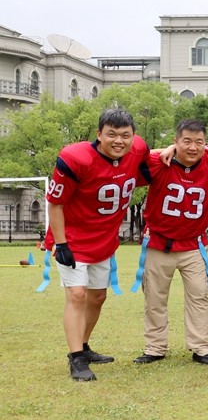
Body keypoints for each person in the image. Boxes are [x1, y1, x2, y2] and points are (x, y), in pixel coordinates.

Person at [44, 108, 149, 381]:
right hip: (73, 238)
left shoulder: (138, 149)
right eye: (111, 134)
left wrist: (171, 147)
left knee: (97, 297)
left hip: (104, 239)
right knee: (77, 295)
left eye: (125, 135)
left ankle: (84, 345)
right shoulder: (76, 158)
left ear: (133, 136)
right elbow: (55, 203)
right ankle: (76, 358)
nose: (119, 141)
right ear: (99, 134)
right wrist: (61, 243)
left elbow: (153, 161)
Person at [132, 119, 208, 366]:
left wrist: (174, 147)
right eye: (186, 141)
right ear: (176, 141)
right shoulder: (159, 162)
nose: (193, 147)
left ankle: (200, 347)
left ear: (205, 143)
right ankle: (155, 347)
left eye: (199, 142)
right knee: (154, 298)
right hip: (158, 242)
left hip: (193, 244)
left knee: (199, 296)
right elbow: (135, 154)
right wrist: (164, 150)